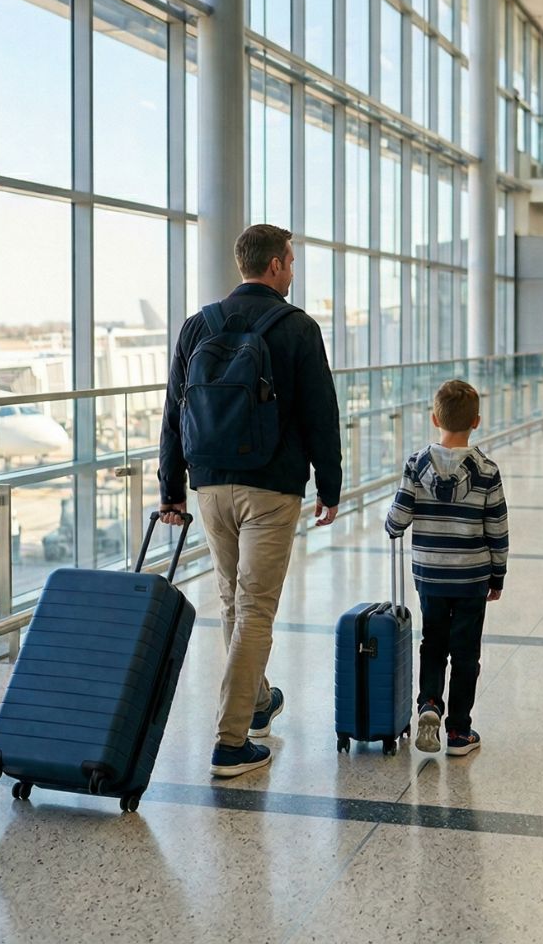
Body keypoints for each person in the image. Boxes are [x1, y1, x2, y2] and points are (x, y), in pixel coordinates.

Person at [158, 224, 343, 779]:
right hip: (270, 487)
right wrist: (329, 487)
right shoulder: (297, 328)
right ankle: (230, 740)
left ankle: (258, 703)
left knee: (234, 602)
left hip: (210, 485)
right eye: (291, 260)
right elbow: (320, 414)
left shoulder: (198, 327)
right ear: (277, 265)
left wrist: (172, 489)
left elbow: (173, 413)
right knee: (255, 609)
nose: (293, 269)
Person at [385, 379, 508, 757]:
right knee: (466, 652)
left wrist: (391, 525)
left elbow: (398, 519)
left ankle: (429, 705)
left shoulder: (415, 464)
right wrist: (497, 575)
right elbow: (497, 529)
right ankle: (458, 732)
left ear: (434, 417)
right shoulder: (487, 469)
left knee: (433, 643)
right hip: (472, 576)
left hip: (431, 576)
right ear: (477, 421)